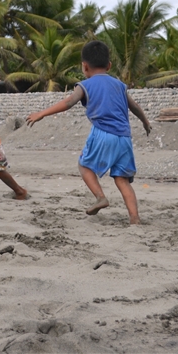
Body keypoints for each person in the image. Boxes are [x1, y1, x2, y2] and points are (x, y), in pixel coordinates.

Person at [26, 40, 152, 224]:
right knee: (122, 179)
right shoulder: (119, 85)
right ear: (109, 65)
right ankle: (134, 218)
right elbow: (135, 106)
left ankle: (100, 197)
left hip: (103, 133)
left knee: (84, 166)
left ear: (84, 66)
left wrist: (42, 113)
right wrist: (145, 122)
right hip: (124, 137)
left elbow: (69, 103)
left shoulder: (85, 85)